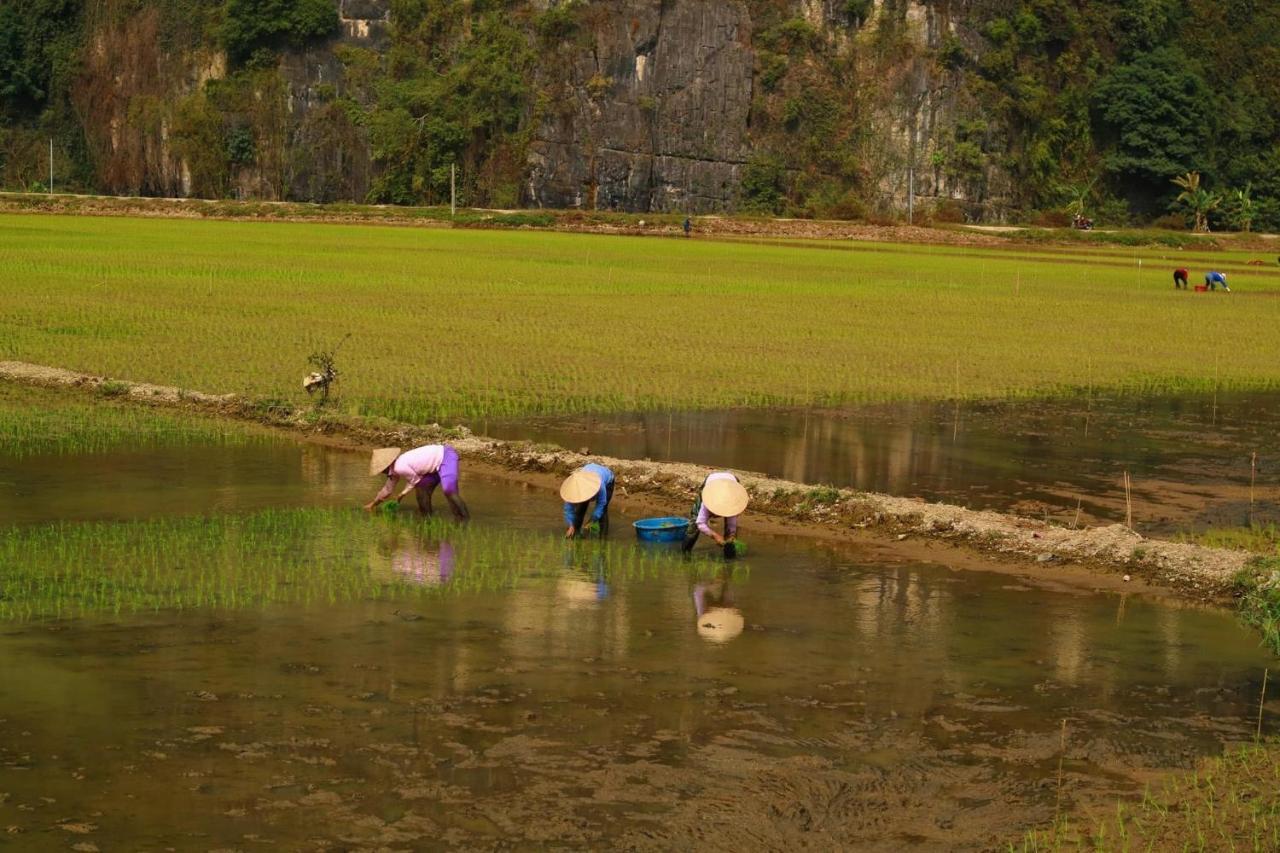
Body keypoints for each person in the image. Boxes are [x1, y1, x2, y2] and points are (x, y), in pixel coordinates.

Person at [365, 445, 470, 520]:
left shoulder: (399, 467)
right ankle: (427, 519)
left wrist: (401, 495)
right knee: (421, 490)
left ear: (387, 466)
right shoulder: (394, 471)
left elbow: (414, 480)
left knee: (449, 490)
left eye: (382, 470)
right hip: (433, 468)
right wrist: (373, 504)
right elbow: (387, 490)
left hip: (445, 456)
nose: (382, 473)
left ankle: (465, 519)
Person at [682, 471, 749, 557]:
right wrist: (715, 536)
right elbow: (700, 523)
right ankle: (685, 554)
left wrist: (731, 536)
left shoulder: (732, 502)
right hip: (712, 481)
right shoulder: (708, 499)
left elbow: (731, 525)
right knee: (694, 524)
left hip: (731, 484)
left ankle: (729, 558)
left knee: (730, 537)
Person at [561, 463, 615, 538]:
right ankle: (575, 532)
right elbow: (568, 509)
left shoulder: (600, 485)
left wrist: (592, 520)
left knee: (603, 511)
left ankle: (603, 538)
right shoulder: (573, 489)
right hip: (589, 470)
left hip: (608, 480)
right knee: (581, 508)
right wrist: (571, 525)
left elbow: (601, 503)